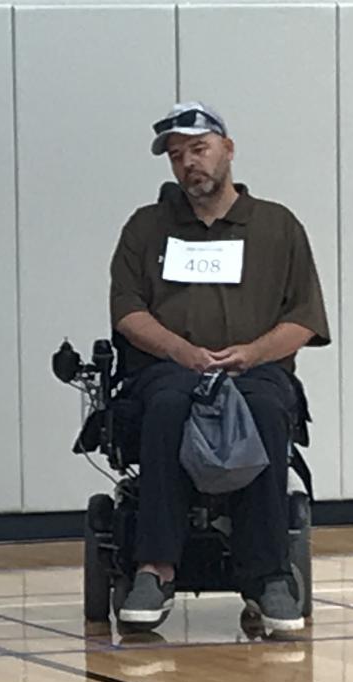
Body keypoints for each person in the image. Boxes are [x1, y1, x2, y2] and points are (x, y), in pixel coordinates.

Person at [108, 101, 331, 634]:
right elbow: (128, 311)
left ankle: (267, 576)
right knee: (165, 407)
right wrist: (181, 352)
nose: (189, 163)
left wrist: (253, 353)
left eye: (199, 149)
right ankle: (155, 568)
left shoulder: (277, 226)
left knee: (264, 411)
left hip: (256, 367)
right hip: (171, 366)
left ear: (227, 150)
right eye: (178, 156)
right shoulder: (146, 228)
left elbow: (303, 317)